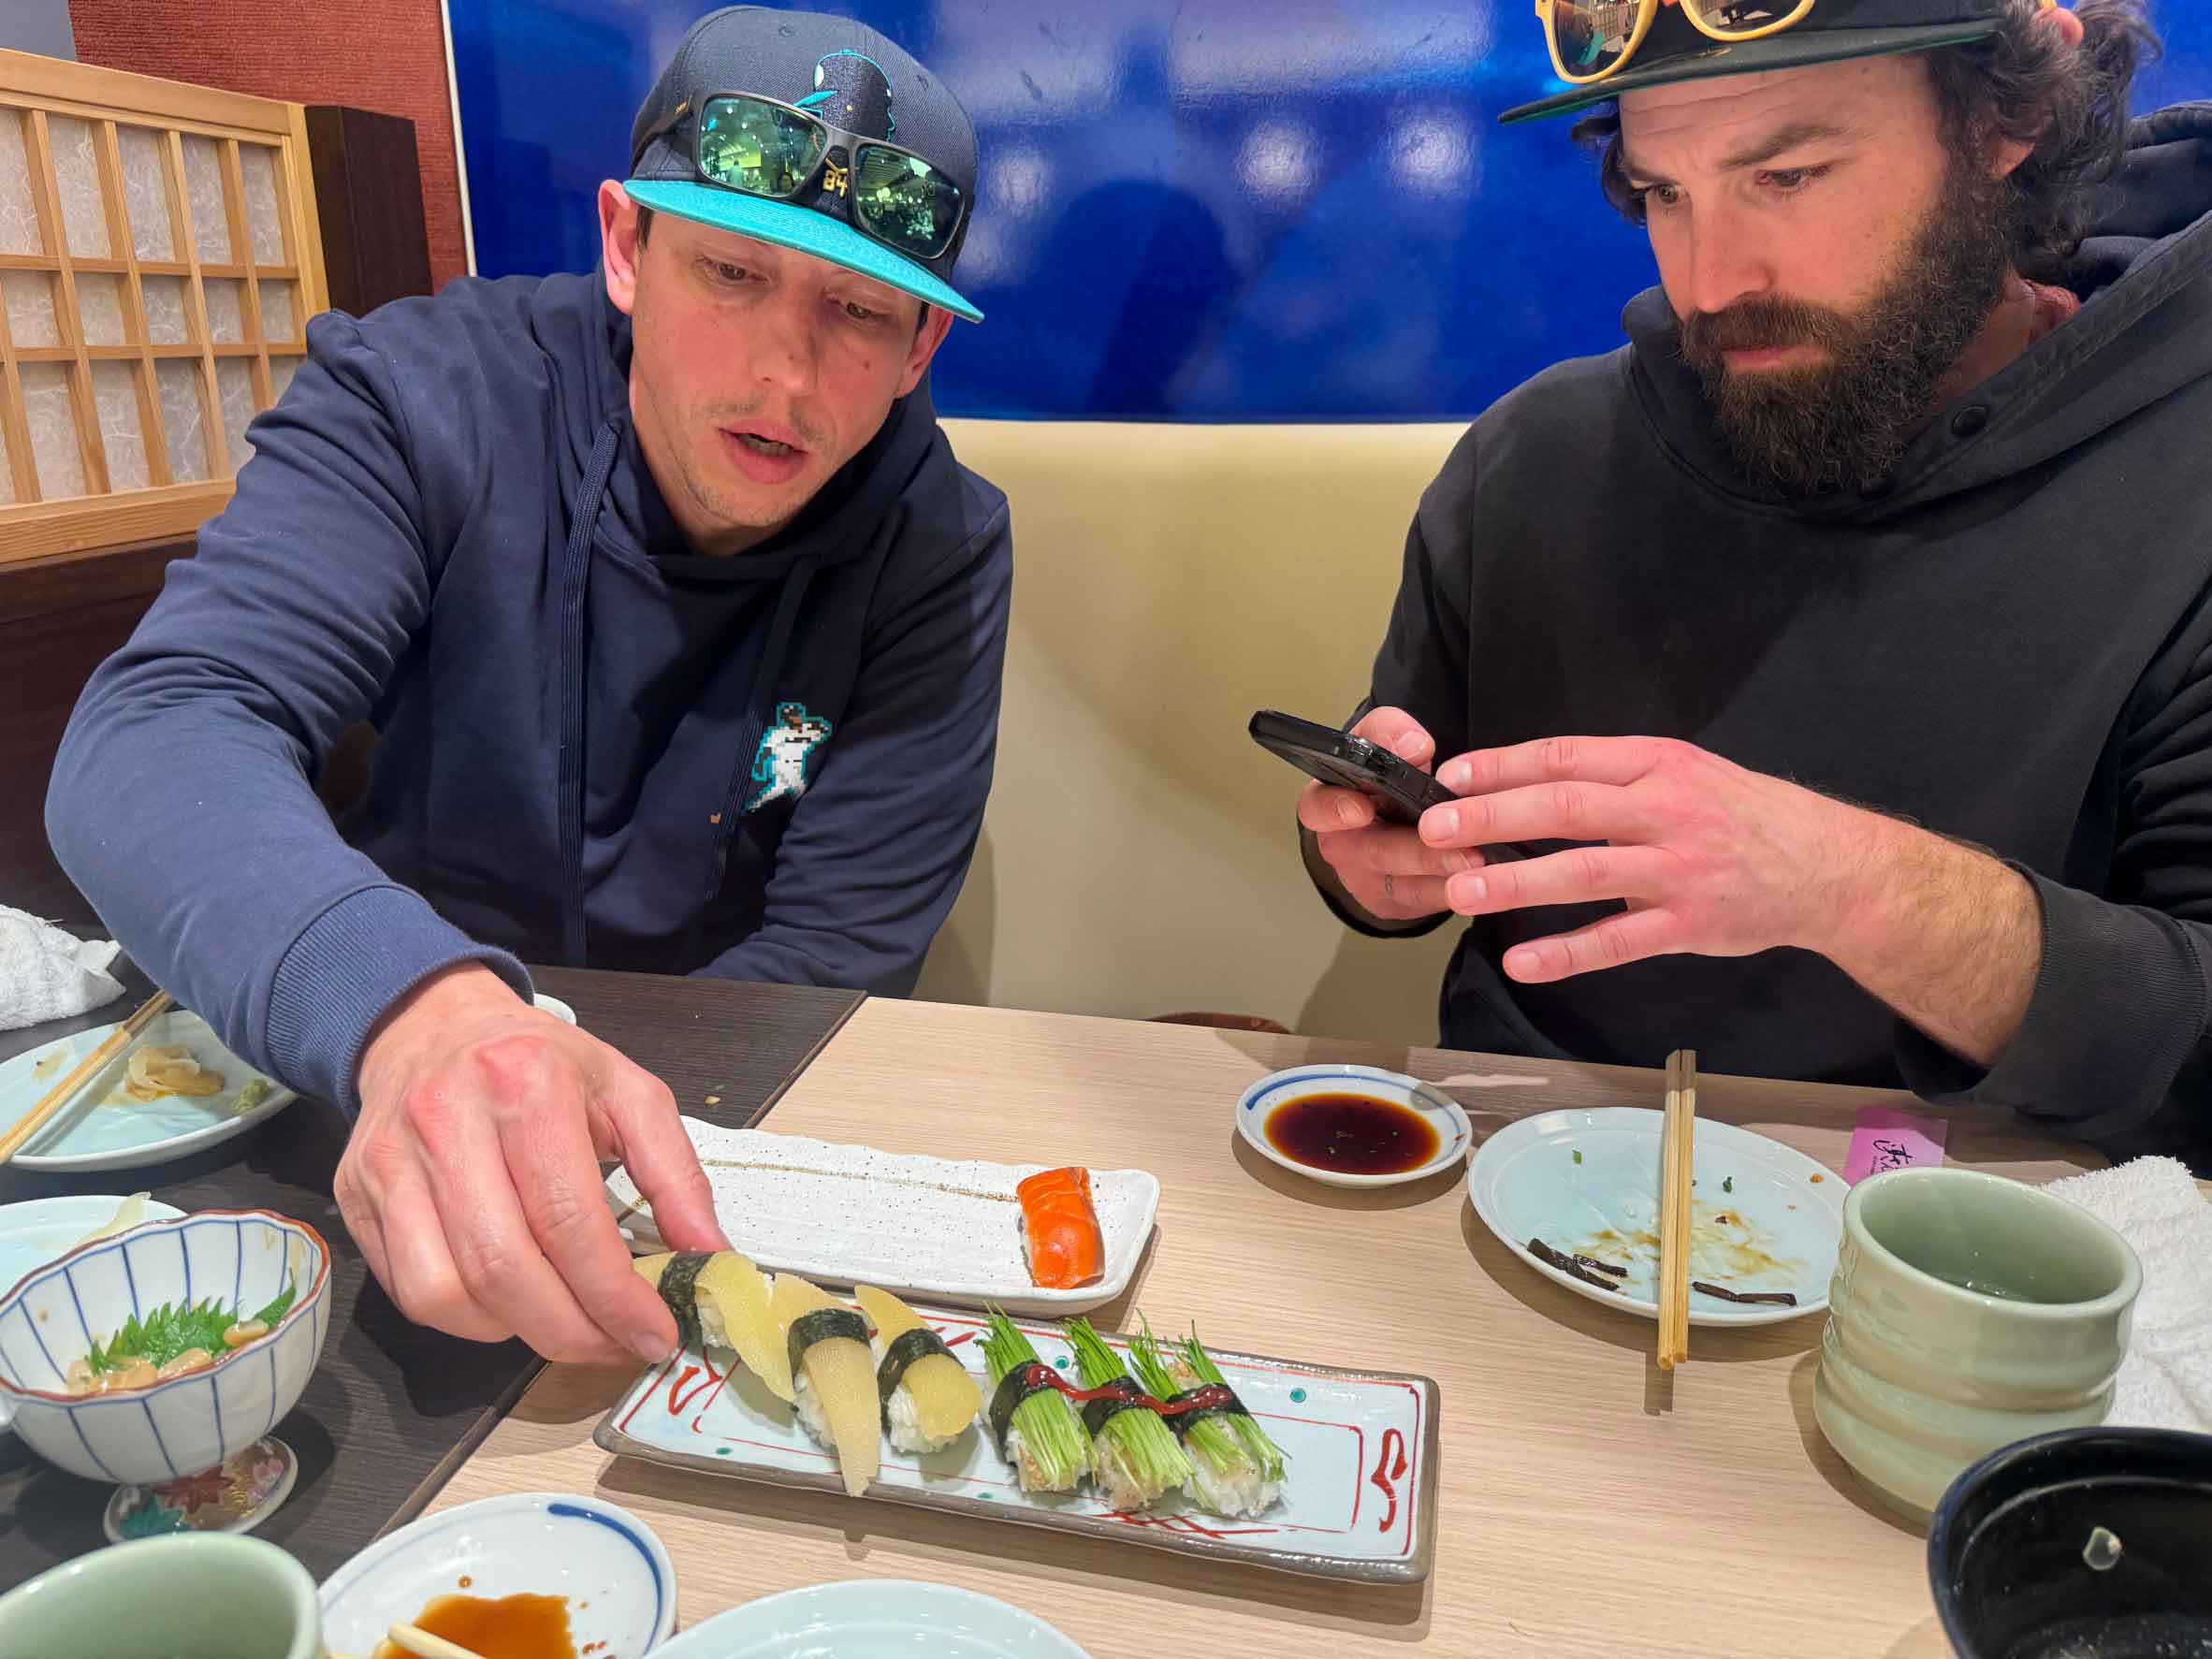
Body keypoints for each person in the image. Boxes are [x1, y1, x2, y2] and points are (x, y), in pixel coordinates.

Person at [46, 7, 1013, 1365]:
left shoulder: (939, 542)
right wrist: (417, 1012)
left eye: (856, 311)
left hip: (702, 1148)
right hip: (371, 1092)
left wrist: (589, 1150)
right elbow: (158, 730)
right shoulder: (423, 399)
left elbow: (838, 955)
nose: (785, 374)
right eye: (734, 274)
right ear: (627, 246)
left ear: (920, 350)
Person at [1299, 0, 2212, 1158]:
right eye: (1665, 194)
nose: (1713, 283)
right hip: (1515, 1186)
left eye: (1785, 176)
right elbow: (1405, 814)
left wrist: (1852, 886)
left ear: (2007, 118)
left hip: (1972, 1251)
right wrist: (1375, 867)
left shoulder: (2184, 480)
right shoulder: (1534, 457)